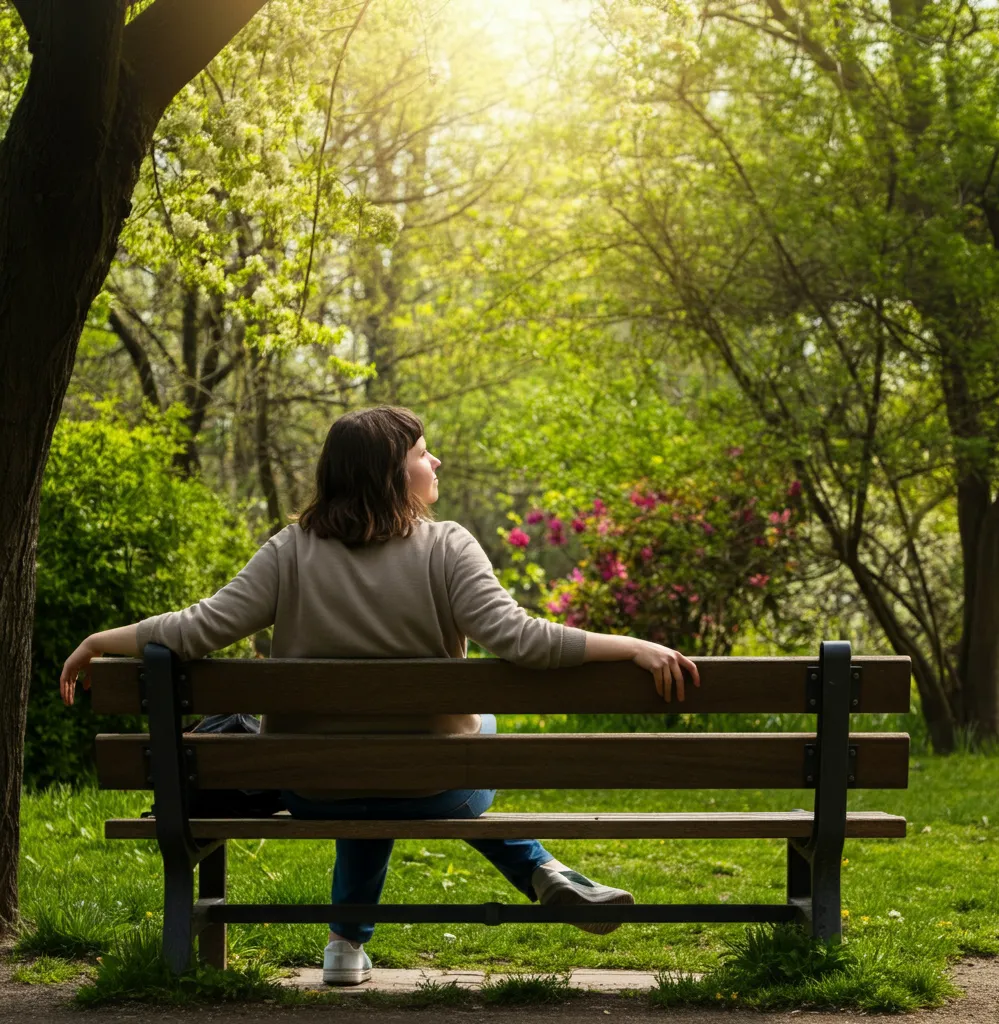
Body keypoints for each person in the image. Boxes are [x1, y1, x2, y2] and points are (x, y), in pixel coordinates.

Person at [60, 405, 699, 986]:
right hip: (435, 784)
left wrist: (102, 640)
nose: (435, 461)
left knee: (361, 768)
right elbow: (522, 640)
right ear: (393, 472)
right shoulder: (449, 546)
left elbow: (195, 629)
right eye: (423, 452)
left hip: (309, 786)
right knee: (454, 743)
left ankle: (344, 948)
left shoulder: (289, 551)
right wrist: (630, 645)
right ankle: (542, 873)